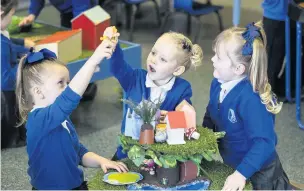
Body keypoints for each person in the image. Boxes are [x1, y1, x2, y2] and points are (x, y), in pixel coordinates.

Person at [15, 32, 128, 189]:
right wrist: (94, 60)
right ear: (38, 92)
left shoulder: (62, 118)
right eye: (61, 83)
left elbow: (79, 153)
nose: (67, 87)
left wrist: (102, 161)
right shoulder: (38, 119)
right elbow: (69, 98)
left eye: (68, 82)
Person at [202, 21, 291, 190]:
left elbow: (265, 142)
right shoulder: (218, 82)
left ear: (238, 69)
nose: (212, 59)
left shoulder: (251, 99)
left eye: (218, 57)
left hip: (261, 174)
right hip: (234, 164)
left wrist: (241, 174)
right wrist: (203, 135)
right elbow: (212, 111)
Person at [103, 27, 203, 160]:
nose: (153, 60)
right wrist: (114, 47)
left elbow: (182, 119)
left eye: (163, 59)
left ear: (177, 70)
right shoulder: (135, 78)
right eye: (153, 52)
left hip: (160, 156)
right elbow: (118, 67)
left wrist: (177, 114)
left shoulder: (182, 89)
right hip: (128, 151)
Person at [19, 0, 99, 101]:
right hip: (66, 12)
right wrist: (32, 14)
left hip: (85, 10)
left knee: (83, 47)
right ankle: (70, 83)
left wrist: (77, 32)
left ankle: (88, 86)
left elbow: (81, 10)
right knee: (68, 47)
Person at [1, 0, 35, 149]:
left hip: (7, 87)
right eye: (11, 15)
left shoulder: (2, 37)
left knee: (16, 110)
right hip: (6, 89)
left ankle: (21, 135)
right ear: (2, 14)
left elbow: (8, 42)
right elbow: (5, 78)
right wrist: (25, 64)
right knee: (13, 111)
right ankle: (15, 139)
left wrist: (24, 45)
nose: (10, 20)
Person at [262, 0, 304, 97]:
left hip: (294, 14)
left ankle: (287, 88)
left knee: (295, 53)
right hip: (276, 16)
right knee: (273, 60)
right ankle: (267, 91)